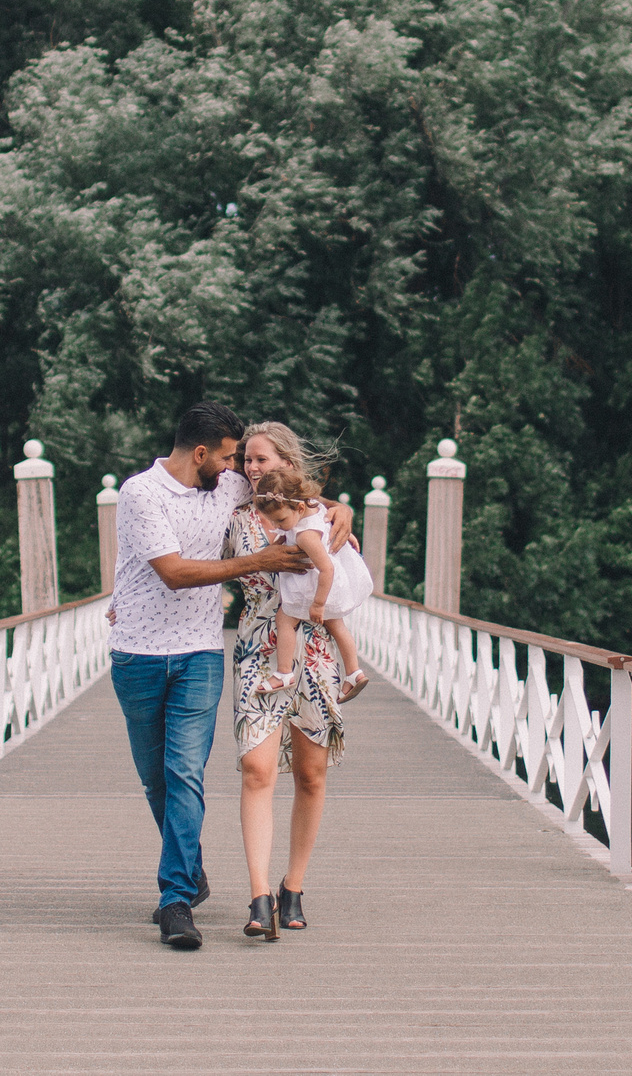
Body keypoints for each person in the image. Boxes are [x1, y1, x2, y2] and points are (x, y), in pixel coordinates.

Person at [109, 402, 310, 951]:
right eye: (227, 458)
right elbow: (173, 573)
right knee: (157, 780)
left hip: (200, 653)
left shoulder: (225, 486)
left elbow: (292, 495)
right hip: (137, 654)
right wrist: (258, 561)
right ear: (200, 453)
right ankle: (191, 869)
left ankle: (175, 899)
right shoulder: (140, 493)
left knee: (185, 774)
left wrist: (336, 514)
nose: (235, 469)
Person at [229, 421, 358, 936]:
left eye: (261, 459)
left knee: (311, 773)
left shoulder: (323, 515)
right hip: (258, 648)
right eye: (246, 460)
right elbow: (192, 564)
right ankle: (259, 896)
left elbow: (345, 574)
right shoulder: (236, 516)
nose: (252, 468)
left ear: (286, 461)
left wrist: (338, 509)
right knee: (257, 768)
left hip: (317, 646)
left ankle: (293, 886)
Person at [248, 463, 372, 703]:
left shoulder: (305, 535)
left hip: (316, 587)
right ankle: (354, 672)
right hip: (333, 587)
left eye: (281, 519)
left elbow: (327, 567)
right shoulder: (314, 507)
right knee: (338, 626)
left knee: (284, 619)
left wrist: (317, 604)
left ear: (299, 507)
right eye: (272, 521)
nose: (276, 526)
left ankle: (284, 672)